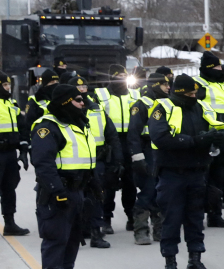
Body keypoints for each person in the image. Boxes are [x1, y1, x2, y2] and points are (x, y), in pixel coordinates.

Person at [148, 75, 224, 269]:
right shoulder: (162, 108)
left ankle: (195, 262)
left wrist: (219, 135)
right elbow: (161, 137)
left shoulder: (200, 107)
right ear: (180, 92)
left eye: (195, 93)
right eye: (190, 94)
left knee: (195, 220)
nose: (194, 97)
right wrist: (196, 140)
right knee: (171, 220)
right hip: (171, 173)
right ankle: (170, 264)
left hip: (197, 171)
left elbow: (219, 126)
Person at [30, 84, 96, 269]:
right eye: (78, 100)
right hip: (57, 192)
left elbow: (85, 159)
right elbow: (43, 163)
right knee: (55, 238)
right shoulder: (47, 127)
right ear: (66, 102)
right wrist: (58, 191)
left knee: (73, 238)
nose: (83, 103)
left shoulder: (78, 124)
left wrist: (94, 184)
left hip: (77, 190)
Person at [68, 76, 119, 247]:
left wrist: (116, 161)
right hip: (73, 164)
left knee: (97, 196)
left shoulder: (97, 109)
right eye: (78, 87)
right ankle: (78, 231)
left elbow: (112, 135)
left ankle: (96, 233)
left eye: (84, 87)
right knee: (76, 199)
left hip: (97, 161)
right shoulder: (64, 113)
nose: (82, 90)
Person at [194, 52, 224, 227]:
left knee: (221, 177)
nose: (220, 70)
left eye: (220, 67)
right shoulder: (199, 84)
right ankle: (197, 214)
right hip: (208, 137)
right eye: (216, 67)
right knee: (203, 178)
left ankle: (215, 214)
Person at [128, 73, 168, 244]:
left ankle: (160, 229)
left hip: (163, 152)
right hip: (147, 151)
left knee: (162, 191)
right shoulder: (142, 105)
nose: (168, 88)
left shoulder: (168, 103)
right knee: (148, 191)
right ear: (155, 85)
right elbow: (134, 133)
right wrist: (138, 158)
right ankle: (141, 230)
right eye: (164, 85)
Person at [97, 66, 137, 234]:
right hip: (111, 143)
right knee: (109, 183)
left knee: (130, 183)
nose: (122, 78)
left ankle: (131, 217)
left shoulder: (135, 94)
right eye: (118, 76)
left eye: (124, 75)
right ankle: (106, 219)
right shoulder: (101, 95)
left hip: (130, 141)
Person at [0, 72, 30, 236]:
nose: (8, 89)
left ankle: (10, 223)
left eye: (9, 86)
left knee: (9, 188)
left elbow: (22, 127)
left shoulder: (12, 104)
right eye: (5, 86)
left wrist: (24, 150)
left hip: (10, 153)